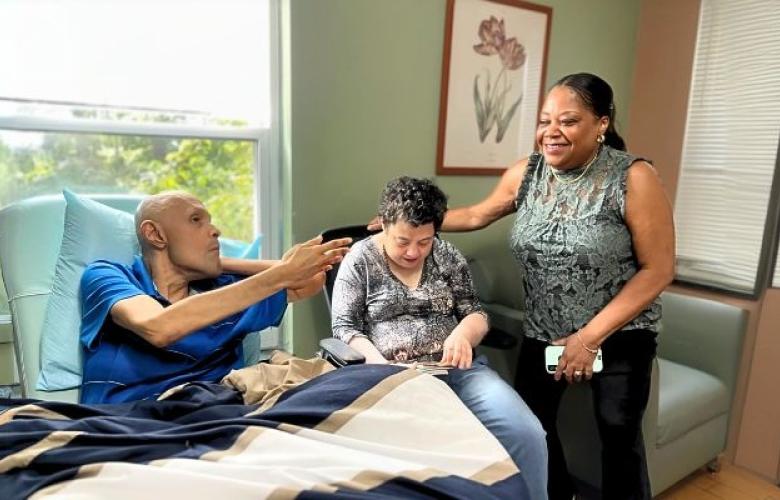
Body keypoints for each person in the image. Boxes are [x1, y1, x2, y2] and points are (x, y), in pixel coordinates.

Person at [404, 73, 675, 500]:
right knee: (533, 426)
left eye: (567, 121)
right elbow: (476, 215)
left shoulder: (633, 176)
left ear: (601, 124)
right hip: (545, 330)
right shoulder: (527, 173)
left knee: (618, 438)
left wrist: (588, 339)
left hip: (618, 335)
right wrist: (408, 224)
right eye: (545, 120)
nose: (551, 132)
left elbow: (657, 270)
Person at [333, 176, 549, 500]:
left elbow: (475, 312)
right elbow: (345, 328)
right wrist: (379, 367)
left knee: (527, 432)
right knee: (424, 449)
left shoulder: (446, 255)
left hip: (459, 372)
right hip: (392, 378)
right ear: (383, 225)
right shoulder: (360, 259)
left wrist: (463, 333)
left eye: (424, 241)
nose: (413, 252)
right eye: (403, 240)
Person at [79, 191, 351, 404]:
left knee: (346, 380)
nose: (215, 230)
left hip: (221, 408)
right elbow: (159, 327)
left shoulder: (226, 290)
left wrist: (222, 264)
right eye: (196, 220)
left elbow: (311, 281)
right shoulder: (108, 275)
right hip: (134, 417)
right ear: (155, 234)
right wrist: (282, 271)